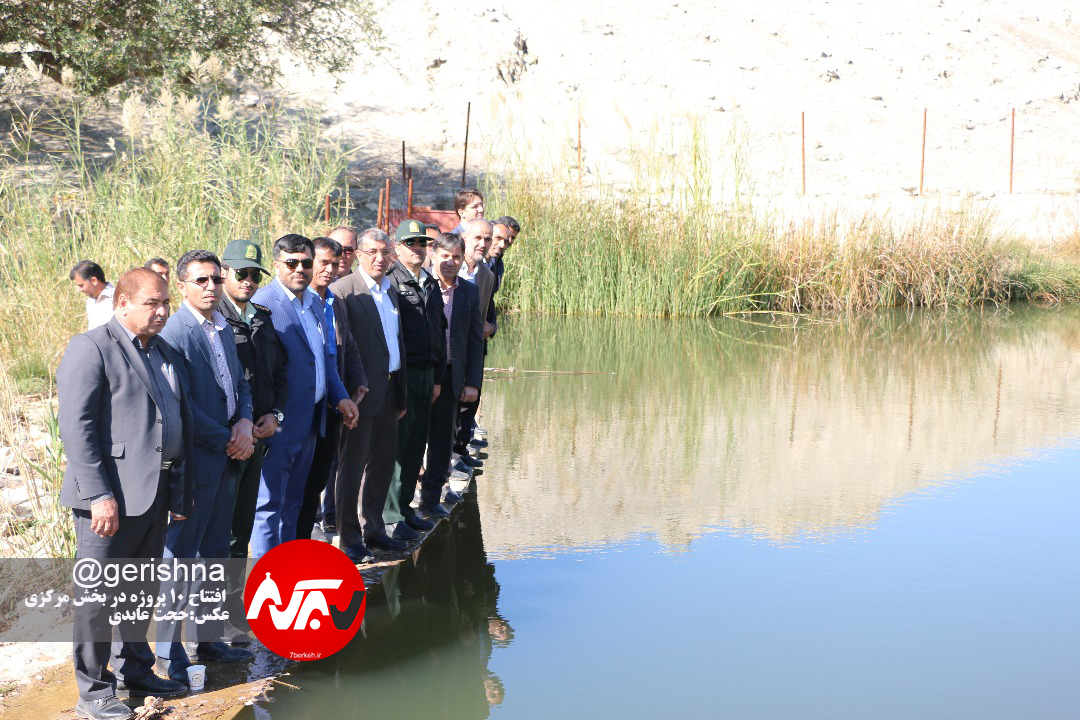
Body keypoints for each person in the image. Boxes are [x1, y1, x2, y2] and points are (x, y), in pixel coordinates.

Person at [58, 268, 193, 719]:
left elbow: (176, 421)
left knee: (139, 588)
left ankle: (134, 668)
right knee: (96, 599)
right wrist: (99, 494)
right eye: (152, 303)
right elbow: (76, 427)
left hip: (155, 492)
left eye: (165, 302)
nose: (162, 311)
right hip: (109, 499)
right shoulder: (92, 347)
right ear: (122, 303)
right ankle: (94, 692)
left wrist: (178, 491)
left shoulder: (163, 350)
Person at [157, 249, 256, 680]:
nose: (211, 286)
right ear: (182, 286)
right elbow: (180, 405)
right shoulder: (175, 332)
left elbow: (240, 385)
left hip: (229, 456)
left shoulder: (223, 326)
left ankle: (209, 638)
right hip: (197, 461)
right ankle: (168, 652)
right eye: (201, 280)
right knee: (181, 558)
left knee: (215, 552)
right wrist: (229, 438)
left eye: (216, 278)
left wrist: (246, 423)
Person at [250, 235, 358, 558]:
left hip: (313, 421)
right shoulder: (263, 303)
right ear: (276, 265)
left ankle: (287, 571)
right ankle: (265, 576)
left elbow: (324, 359)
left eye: (305, 262)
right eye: (291, 263)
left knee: (294, 504)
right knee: (269, 506)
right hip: (280, 423)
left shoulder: (313, 302)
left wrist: (340, 396)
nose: (300, 269)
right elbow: (259, 370)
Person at [330, 228, 409, 563]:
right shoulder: (344, 291)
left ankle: (374, 529)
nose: (380, 258)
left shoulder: (390, 289)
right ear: (359, 255)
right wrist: (347, 395)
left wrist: (401, 393)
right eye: (372, 252)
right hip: (361, 395)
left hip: (390, 390)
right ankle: (349, 538)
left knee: (382, 464)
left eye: (385, 252)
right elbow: (340, 348)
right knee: (351, 468)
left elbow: (396, 342)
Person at [216, 240, 288, 562]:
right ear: (224, 273)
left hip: (258, 435)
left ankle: (233, 590)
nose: (248, 281)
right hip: (227, 438)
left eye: (255, 275)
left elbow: (280, 374)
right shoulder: (213, 317)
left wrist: (276, 415)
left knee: (242, 524)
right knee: (219, 527)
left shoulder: (262, 316)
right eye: (241, 273)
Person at [298, 236, 368, 540]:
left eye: (335, 263)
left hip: (335, 394)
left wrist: (359, 381)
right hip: (307, 398)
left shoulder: (336, 301)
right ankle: (308, 526)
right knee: (303, 468)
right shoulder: (299, 301)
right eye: (323, 262)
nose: (329, 269)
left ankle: (325, 520)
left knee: (327, 464)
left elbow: (347, 345)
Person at [384, 220, 446, 540]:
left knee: (416, 444)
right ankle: (390, 515)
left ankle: (406, 508)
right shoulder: (391, 281)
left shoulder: (430, 282)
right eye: (411, 243)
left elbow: (438, 330)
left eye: (422, 243)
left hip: (427, 373)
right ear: (397, 248)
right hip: (404, 374)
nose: (418, 248)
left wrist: (437, 377)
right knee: (399, 445)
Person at [422, 233, 484, 518]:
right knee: (413, 436)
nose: (450, 262)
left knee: (442, 437)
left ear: (462, 259)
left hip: (450, 374)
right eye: (445, 256)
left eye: (456, 257)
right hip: (422, 372)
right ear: (433, 254)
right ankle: (405, 494)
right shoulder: (421, 284)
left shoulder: (469, 292)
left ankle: (432, 496)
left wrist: (472, 383)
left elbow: (474, 340)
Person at [454, 219, 496, 470]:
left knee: (469, 402)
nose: (483, 244)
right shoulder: (446, 265)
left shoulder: (487, 275)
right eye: (478, 238)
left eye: (487, 239)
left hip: (470, 348)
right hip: (443, 350)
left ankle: (459, 451)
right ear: (464, 238)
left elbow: (483, 317)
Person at [70, 260, 115, 330]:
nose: (79, 290)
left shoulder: (117, 298)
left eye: (81, 285)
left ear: (94, 281)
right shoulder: (90, 302)